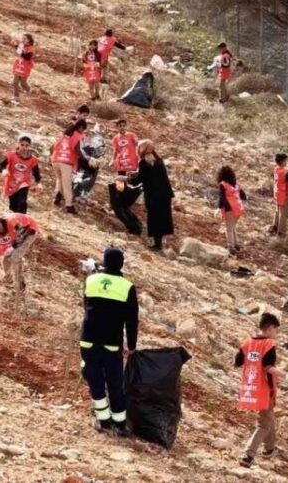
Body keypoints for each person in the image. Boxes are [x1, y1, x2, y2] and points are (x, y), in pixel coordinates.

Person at [80, 248, 139, 437]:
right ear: (122, 264)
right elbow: (131, 320)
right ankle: (120, 424)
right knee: (115, 382)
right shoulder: (127, 287)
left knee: (94, 379)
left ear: (104, 263)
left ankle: (103, 420)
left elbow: (86, 305)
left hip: (88, 338)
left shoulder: (91, 280)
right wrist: (131, 346)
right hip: (111, 342)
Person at [236, 312, 283, 468]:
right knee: (264, 423)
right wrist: (286, 375)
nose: (276, 334)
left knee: (268, 417)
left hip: (250, 387)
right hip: (264, 389)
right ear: (270, 329)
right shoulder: (269, 344)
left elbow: (237, 362)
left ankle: (270, 449)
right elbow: (268, 368)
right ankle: (248, 455)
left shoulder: (247, 342)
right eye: (276, 330)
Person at [125, 140, 174, 251]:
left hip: (154, 196)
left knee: (155, 219)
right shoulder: (158, 160)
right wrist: (135, 174)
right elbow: (149, 175)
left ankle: (157, 245)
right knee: (162, 219)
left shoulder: (144, 162)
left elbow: (140, 179)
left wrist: (128, 179)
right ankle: (159, 244)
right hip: (165, 195)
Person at [0, 212, 40, 297]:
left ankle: (21, 286)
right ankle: (9, 282)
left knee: (15, 256)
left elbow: (23, 234)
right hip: (17, 235)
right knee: (6, 259)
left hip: (30, 230)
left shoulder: (12, 222)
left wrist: (12, 247)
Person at [52, 119, 87, 214]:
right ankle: (69, 205)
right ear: (80, 127)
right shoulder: (77, 136)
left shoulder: (64, 134)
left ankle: (57, 197)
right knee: (67, 184)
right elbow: (77, 150)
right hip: (66, 162)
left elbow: (53, 146)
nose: (83, 132)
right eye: (83, 129)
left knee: (60, 180)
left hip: (56, 159)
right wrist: (87, 159)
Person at [0, 136, 41, 213]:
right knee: (13, 206)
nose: (24, 148)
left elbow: (36, 172)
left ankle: (23, 219)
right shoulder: (11, 155)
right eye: (22, 145)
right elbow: (1, 165)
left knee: (22, 203)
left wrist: (38, 183)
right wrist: (4, 170)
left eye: (26, 146)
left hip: (23, 183)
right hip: (12, 183)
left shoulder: (33, 159)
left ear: (29, 146)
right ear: (18, 144)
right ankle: (15, 220)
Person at [217, 166, 247, 256]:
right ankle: (236, 244)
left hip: (230, 208)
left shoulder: (223, 185)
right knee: (233, 227)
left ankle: (231, 247)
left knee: (229, 229)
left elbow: (222, 197)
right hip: (239, 208)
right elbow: (243, 196)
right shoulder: (235, 184)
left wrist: (219, 207)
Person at [270, 153, 288, 236]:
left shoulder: (276, 169)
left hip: (277, 193)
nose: (286, 162)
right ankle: (281, 231)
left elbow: (284, 172)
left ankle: (275, 226)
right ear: (282, 162)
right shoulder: (286, 172)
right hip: (284, 195)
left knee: (277, 210)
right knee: (284, 214)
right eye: (285, 161)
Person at [12, 33, 35, 103]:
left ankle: (30, 90)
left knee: (23, 83)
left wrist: (19, 51)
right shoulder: (21, 45)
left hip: (25, 67)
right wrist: (16, 45)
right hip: (19, 66)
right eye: (22, 38)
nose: (23, 40)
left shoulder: (31, 48)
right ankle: (16, 97)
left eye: (25, 39)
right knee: (15, 82)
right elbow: (18, 51)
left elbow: (27, 57)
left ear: (29, 40)